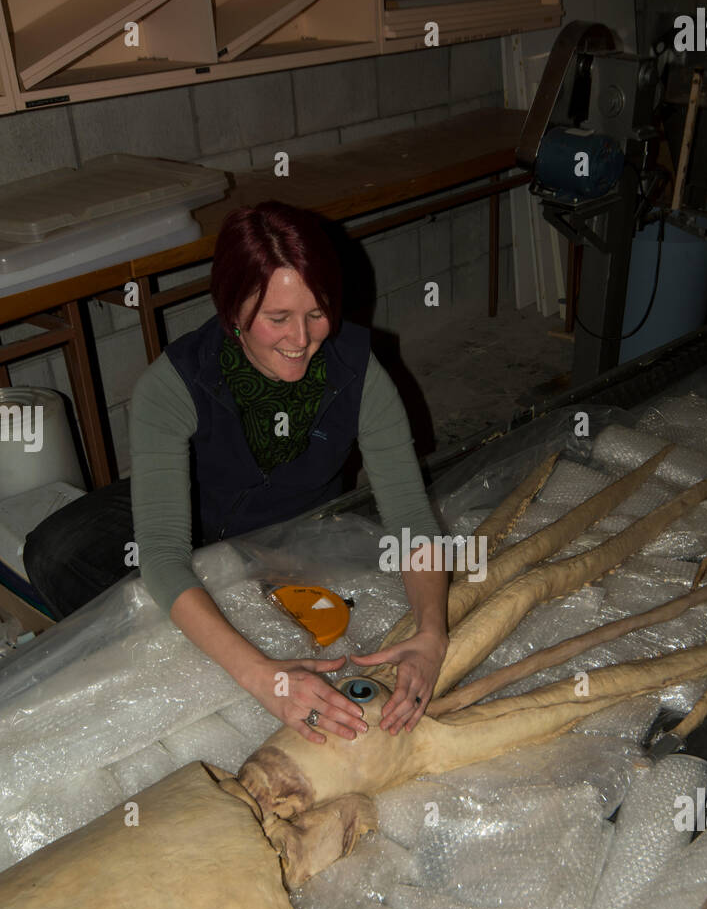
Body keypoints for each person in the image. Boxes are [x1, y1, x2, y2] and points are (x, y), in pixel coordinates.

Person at [24, 201, 449, 741]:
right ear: (233, 312)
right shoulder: (173, 384)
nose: (302, 339)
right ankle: (184, 646)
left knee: (363, 591)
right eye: (278, 319)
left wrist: (432, 632)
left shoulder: (358, 371)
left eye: (318, 312)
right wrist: (260, 677)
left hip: (294, 530)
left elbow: (411, 515)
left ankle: (207, 633)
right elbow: (161, 549)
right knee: (57, 553)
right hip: (198, 507)